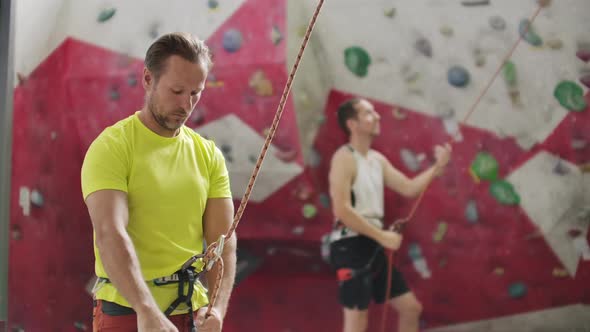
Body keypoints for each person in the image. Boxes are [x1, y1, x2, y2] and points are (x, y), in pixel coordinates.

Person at [81, 32, 236, 332]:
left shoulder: (208, 155)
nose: (186, 104)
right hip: (128, 311)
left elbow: (223, 243)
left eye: (195, 92)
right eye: (176, 91)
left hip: (192, 310)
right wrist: (146, 309)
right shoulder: (113, 147)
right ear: (148, 79)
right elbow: (110, 233)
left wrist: (217, 308)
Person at [327, 97, 452, 332]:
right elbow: (342, 210)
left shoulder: (377, 160)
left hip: (371, 243)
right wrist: (382, 237)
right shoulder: (344, 158)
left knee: (410, 309)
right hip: (350, 246)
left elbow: (409, 187)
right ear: (353, 124)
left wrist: (437, 168)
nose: (377, 116)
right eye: (368, 113)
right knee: (357, 321)